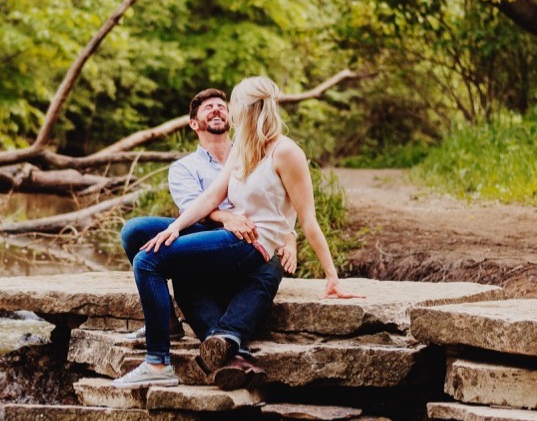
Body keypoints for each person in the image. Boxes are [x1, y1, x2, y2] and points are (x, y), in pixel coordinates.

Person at [114, 76, 360, 390]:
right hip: (231, 239)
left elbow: (308, 218)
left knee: (147, 262)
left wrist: (332, 277)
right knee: (148, 248)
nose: (227, 111)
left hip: (254, 246)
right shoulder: (242, 147)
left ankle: (157, 362)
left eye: (231, 105)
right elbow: (210, 197)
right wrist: (174, 228)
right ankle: (212, 347)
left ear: (248, 108)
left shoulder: (286, 152)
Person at [118, 89, 295, 349]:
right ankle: (176, 325)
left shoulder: (257, 153)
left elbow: (281, 202)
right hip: (203, 236)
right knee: (135, 231)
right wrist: (226, 218)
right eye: (208, 107)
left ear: (232, 117)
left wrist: (290, 239)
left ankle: (225, 338)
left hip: (251, 242)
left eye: (221, 106)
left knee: (270, 262)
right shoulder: (184, 167)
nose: (216, 109)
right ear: (193, 123)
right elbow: (195, 206)